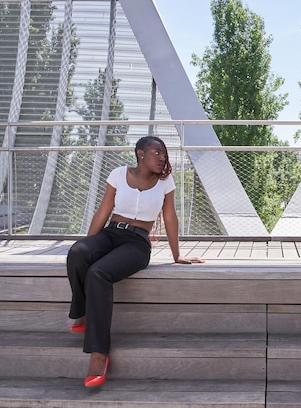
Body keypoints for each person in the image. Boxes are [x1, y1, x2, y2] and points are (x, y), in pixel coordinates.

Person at [66, 136, 204, 387]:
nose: (163, 157)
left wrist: (177, 255)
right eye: (157, 152)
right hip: (110, 233)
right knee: (78, 253)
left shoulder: (165, 182)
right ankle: (81, 312)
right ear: (141, 153)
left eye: (164, 153)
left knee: (99, 273)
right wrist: (88, 247)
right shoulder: (119, 174)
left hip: (137, 243)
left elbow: (170, 217)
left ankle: (98, 355)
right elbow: (103, 210)